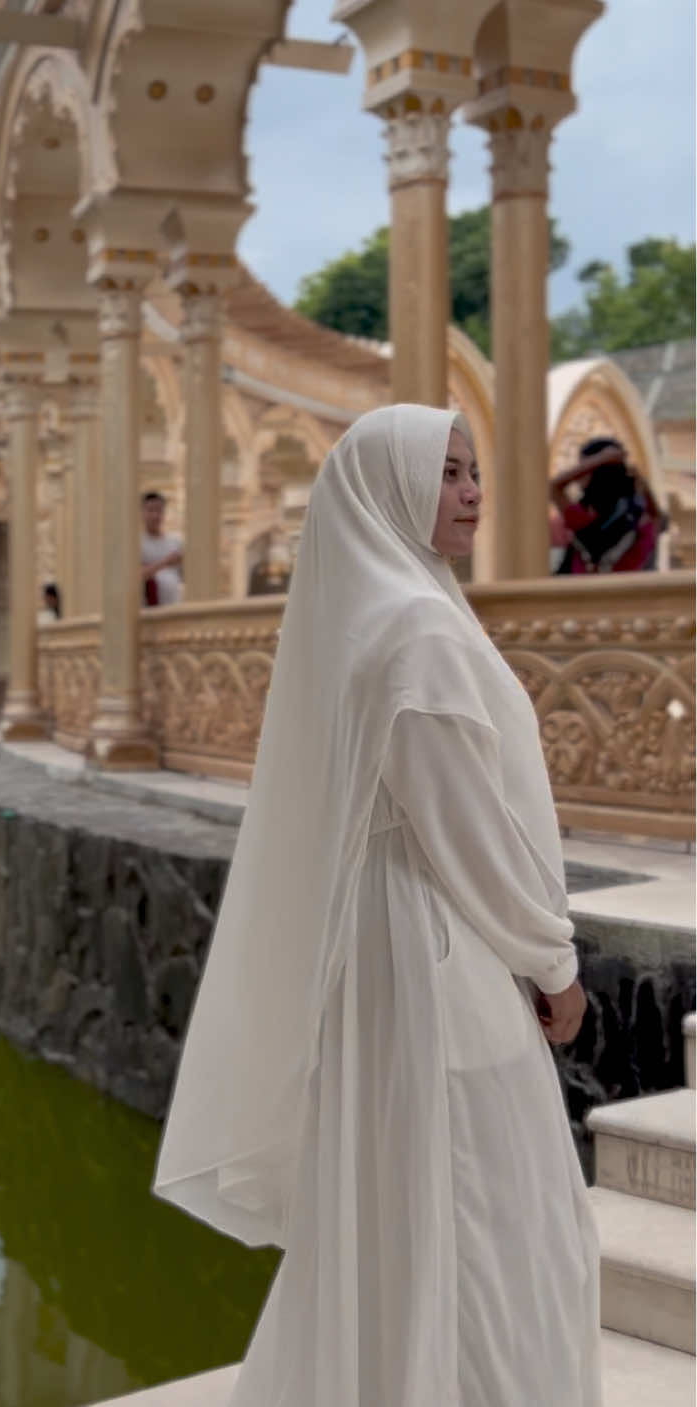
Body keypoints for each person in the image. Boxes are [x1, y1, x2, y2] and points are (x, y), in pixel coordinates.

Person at [154, 404, 598, 1407]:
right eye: (446, 472)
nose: (474, 491)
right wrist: (554, 961)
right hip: (440, 953)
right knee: (486, 1207)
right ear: (386, 488)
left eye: (474, 470)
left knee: (416, 1206)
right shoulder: (416, 632)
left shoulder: (381, 614)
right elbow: (468, 834)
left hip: (391, 945)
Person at [551, 436, 666, 574]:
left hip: (589, 592)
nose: (579, 477)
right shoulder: (643, 519)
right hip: (631, 593)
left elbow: (555, 486)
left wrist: (601, 459)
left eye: (584, 469)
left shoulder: (583, 520)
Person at [140, 491, 184, 606]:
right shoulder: (137, 543)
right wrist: (166, 562)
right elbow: (137, 575)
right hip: (150, 610)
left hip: (175, 604)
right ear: (142, 513)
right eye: (150, 510)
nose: (155, 515)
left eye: (159, 511)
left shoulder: (176, 541)